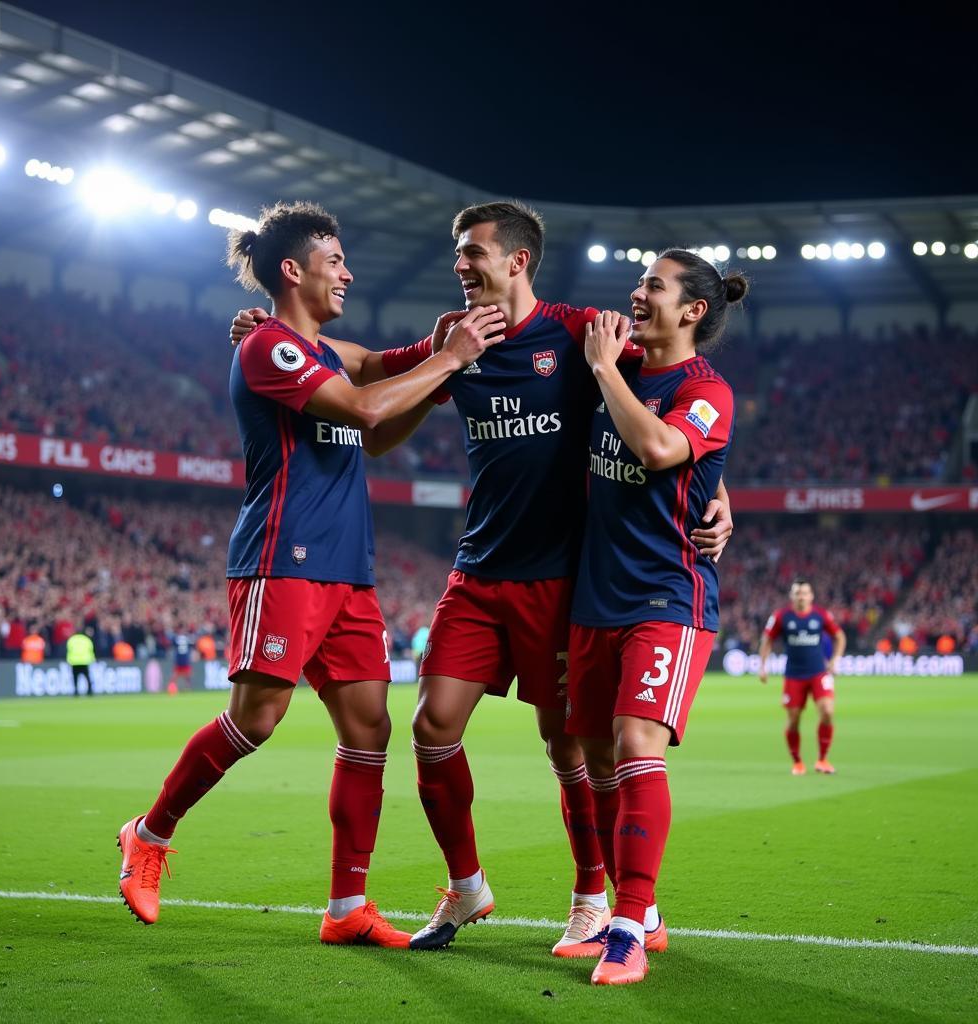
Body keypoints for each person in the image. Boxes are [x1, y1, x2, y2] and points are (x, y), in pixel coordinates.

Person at [230, 201, 733, 955]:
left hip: (564, 579)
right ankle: (467, 887)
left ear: (516, 261)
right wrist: (274, 333)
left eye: (472, 253)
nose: (459, 266)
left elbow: (673, 406)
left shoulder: (580, 334)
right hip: (479, 567)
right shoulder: (455, 339)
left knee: (569, 749)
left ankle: (592, 900)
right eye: (457, 253)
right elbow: (373, 394)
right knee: (432, 730)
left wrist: (720, 498)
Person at [116, 200, 503, 950]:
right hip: (282, 560)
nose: (349, 272)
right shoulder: (269, 347)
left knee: (368, 730)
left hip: (347, 574)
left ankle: (346, 906)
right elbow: (363, 409)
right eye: (335, 261)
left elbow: (384, 422)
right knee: (256, 719)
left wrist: (447, 361)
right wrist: (447, 361)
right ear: (293, 270)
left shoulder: (332, 351)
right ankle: (149, 833)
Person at [567, 250, 745, 984]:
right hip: (593, 596)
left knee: (637, 741)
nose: (637, 294)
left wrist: (606, 371)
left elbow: (661, 446)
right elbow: (525, 318)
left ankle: (629, 925)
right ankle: (646, 914)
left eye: (655, 286)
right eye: (638, 282)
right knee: (594, 760)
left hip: (668, 596)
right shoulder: (613, 349)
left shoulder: (707, 390)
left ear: (693, 310)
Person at [758, 579, 847, 775]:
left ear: (811, 596)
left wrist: (835, 660)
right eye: (798, 593)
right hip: (794, 675)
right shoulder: (781, 616)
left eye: (805, 593)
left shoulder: (821, 615)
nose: (801, 597)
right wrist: (762, 666)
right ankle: (797, 762)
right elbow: (767, 639)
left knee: (827, 711)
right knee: (793, 719)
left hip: (818, 672)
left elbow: (840, 636)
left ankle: (822, 759)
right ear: (792, 596)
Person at [66, 629, 96, 696]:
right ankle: (89, 691)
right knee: (87, 677)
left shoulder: (72, 640)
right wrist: (92, 659)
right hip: (85, 661)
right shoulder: (86, 640)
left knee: (75, 678)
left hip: (74, 662)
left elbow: (69, 650)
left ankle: (76, 691)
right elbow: (91, 650)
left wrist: (68, 660)